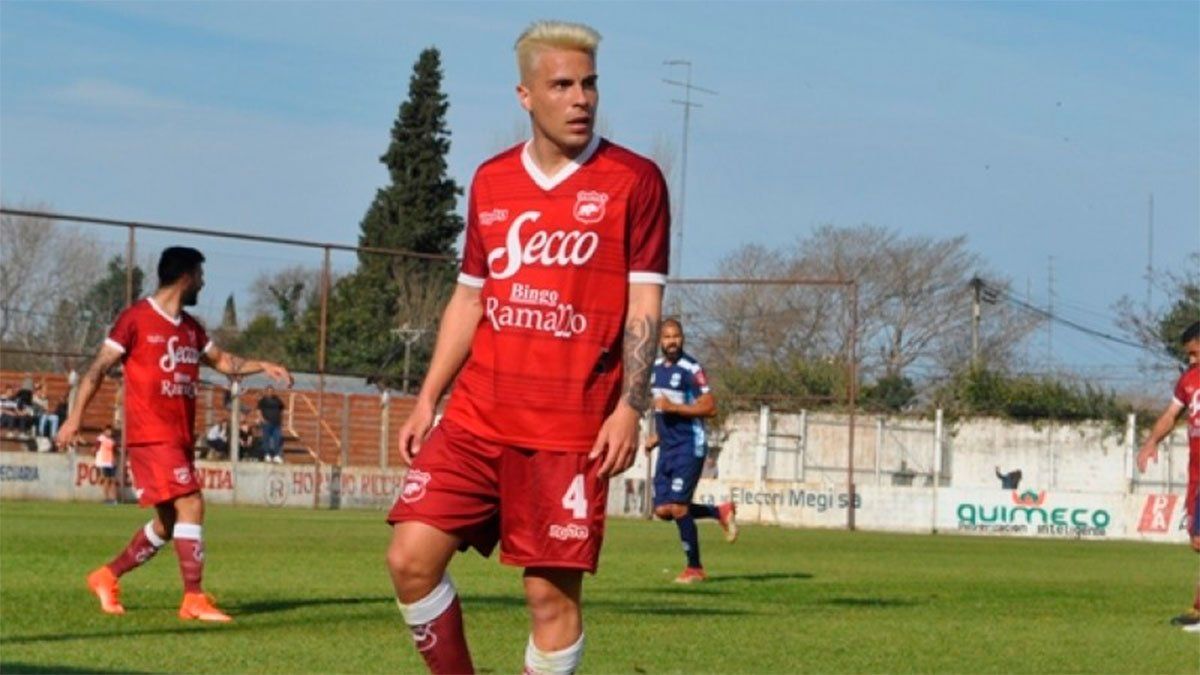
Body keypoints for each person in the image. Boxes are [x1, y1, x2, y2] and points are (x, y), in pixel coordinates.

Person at [385, 20, 669, 675]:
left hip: (569, 428)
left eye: (589, 83)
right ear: (526, 95)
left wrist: (630, 406)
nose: (581, 98)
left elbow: (645, 305)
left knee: (547, 597)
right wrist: (429, 396)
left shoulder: (635, 181)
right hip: (477, 415)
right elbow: (469, 298)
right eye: (562, 84)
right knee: (410, 559)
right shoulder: (490, 181)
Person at [56, 246, 293, 622]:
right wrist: (73, 418)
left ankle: (106, 576)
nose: (203, 282)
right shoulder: (135, 319)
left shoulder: (191, 328)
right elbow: (98, 368)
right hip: (151, 436)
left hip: (179, 439)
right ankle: (193, 599)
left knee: (169, 523)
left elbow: (224, 362)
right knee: (192, 504)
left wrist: (261, 365)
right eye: (200, 275)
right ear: (185, 276)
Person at [644, 318, 736, 583]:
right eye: (667, 337)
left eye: (676, 336)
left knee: (679, 508)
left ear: (682, 338)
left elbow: (710, 407)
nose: (672, 342)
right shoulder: (656, 371)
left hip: (689, 446)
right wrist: (657, 437)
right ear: (659, 341)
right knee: (662, 510)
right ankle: (719, 512)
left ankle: (695, 568)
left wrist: (675, 409)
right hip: (668, 447)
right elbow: (663, 413)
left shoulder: (691, 369)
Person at [1137, 321, 1200, 633]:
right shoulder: (1187, 381)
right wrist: (1151, 442)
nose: (1190, 360)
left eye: (1195, 353)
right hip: (1198, 472)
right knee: (1198, 540)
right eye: (1189, 355)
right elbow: (1169, 416)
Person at [256, 385, 285, 464]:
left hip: (277, 423)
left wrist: (282, 420)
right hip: (267, 423)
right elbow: (258, 410)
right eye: (268, 391)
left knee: (277, 439)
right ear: (266, 392)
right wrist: (262, 419)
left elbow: (281, 410)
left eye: (271, 391)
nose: (270, 392)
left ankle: (276, 456)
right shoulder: (263, 400)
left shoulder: (277, 400)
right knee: (266, 439)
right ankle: (267, 455)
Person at [95, 425, 117, 505]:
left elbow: (114, 450)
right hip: (104, 462)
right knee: (107, 480)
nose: (109, 432)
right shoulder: (101, 438)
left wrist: (114, 459)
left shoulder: (112, 441)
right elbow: (96, 447)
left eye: (110, 431)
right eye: (107, 431)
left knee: (113, 480)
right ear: (104, 431)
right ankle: (107, 498)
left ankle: (114, 498)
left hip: (111, 462)